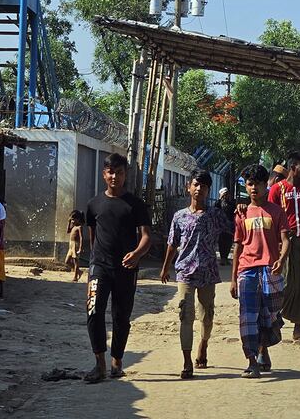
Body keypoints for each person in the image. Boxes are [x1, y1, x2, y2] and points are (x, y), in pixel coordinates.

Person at [84, 154, 152, 384]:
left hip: (126, 269)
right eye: (110, 172)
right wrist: (94, 263)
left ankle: (116, 362)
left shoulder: (135, 205)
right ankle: (99, 364)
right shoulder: (93, 205)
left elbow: (146, 237)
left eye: (119, 172)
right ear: (104, 174)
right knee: (94, 312)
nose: (115, 177)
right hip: (99, 268)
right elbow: (93, 238)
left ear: (125, 174)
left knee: (121, 317)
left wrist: (136, 254)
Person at [161, 169, 222, 379]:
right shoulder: (179, 216)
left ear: (208, 190)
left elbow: (236, 229)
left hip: (208, 273)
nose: (199, 189)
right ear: (189, 187)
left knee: (207, 317)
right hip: (185, 272)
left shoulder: (215, 215)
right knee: (185, 315)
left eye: (203, 186)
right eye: (196, 185)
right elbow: (172, 243)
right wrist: (165, 267)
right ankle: (187, 361)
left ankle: (203, 345)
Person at [230, 164, 290, 378]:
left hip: (270, 269)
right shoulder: (241, 213)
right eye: (250, 184)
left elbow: (285, 239)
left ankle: (264, 350)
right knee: (248, 316)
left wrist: (281, 259)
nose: (254, 188)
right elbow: (237, 246)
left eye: (258, 183)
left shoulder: (276, 211)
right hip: (247, 270)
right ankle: (251, 360)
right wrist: (233, 278)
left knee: (268, 315)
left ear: (266, 185)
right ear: (246, 187)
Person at [268, 151, 300, 342]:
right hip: (283, 243)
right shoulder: (277, 189)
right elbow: (270, 215)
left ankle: (298, 328)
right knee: (285, 282)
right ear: (293, 168)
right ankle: (276, 317)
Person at [214, 187, 235, 265]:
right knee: (221, 242)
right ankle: (222, 258)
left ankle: (225, 257)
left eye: (227, 194)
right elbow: (215, 209)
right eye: (224, 194)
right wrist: (220, 199)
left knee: (228, 242)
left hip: (229, 225)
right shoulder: (219, 203)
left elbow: (234, 212)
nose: (226, 196)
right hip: (220, 225)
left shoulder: (231, 203)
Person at [65, 210, 85, 281]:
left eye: (73, 219)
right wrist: (69, 222)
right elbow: (67, 231)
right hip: (70, 245)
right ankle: (79, 271)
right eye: (72, 219)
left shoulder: (79, 227)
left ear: (78, 219)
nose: (72, 221)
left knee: (76, 261)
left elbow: (81, 238)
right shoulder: (73, 226)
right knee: (67, 261)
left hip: (75, 245)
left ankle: (75, 277)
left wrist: (80, 248)